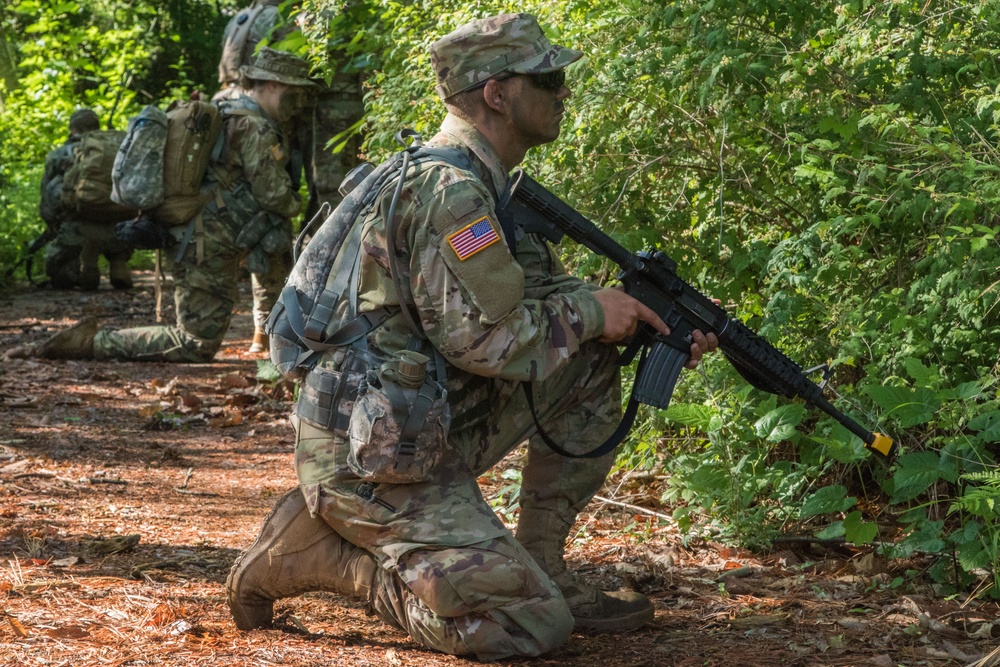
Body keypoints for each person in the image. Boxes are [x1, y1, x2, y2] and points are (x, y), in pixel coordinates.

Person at [225, 13, 718, 660]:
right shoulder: (453, 193)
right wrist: (596, 313)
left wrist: (642, 315)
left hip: (407, 423)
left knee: (593, 355)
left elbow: (537, 306)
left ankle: (546, 566)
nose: (562, 91)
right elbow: (489, 342)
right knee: (530, 624)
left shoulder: (469, 178)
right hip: (372, 459)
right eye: (548, 79)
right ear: (497, 93)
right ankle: (327, 556)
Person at [36, 48, 314, 363]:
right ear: (274, 84)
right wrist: (299, 203)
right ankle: (90, 343)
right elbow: (273, 195)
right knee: (193, 345)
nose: (300, 103)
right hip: (204, 247)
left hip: (198, 240)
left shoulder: (229, 111)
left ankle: (272, 340)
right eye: (296, 92)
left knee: (201, 334)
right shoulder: (256, 126)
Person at [215, 0, 364, 354]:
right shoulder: (307, 12)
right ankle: (302, 320)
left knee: (273, 216)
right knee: (315, 210)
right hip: (311, 120)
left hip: (266, 116)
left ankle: (270, 327)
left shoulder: (245, 18)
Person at [40, 109, 134, 290]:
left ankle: (84, 267)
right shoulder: (114, 148)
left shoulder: (61, 154)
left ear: (73, 129)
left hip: (79, 227)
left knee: (60, 276)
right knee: (111, 233)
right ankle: (118, 264)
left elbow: (47, 198)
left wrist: (53, 225)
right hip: (120, 227)